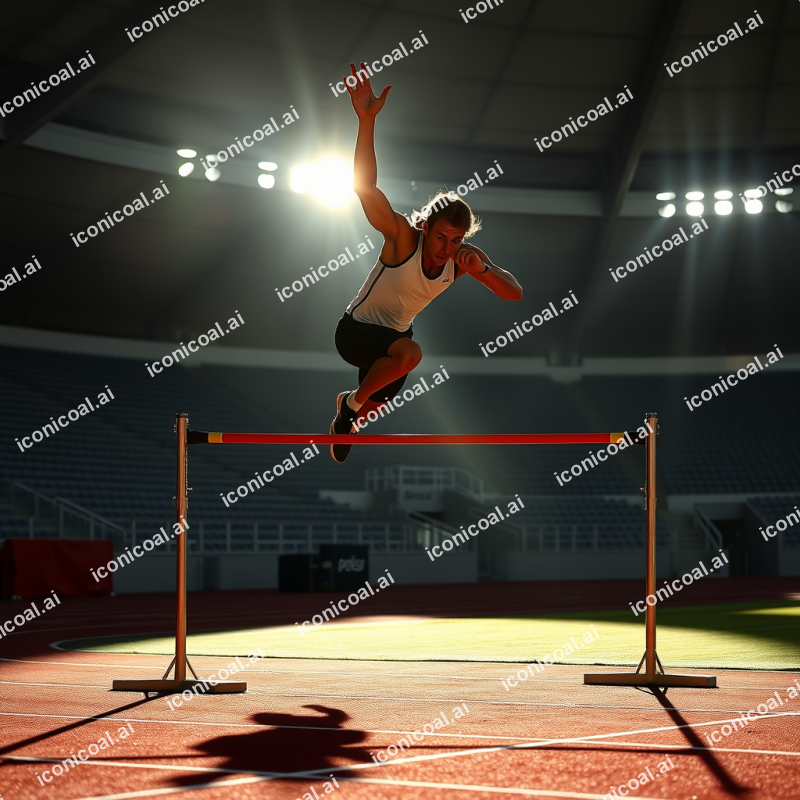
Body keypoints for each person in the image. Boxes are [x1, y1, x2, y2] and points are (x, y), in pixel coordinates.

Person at [330, 63, 523, 463]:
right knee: (413, 355)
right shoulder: (403, 238)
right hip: (355, 332)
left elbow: (515, 294)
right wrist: (366, 120)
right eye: (440, 237)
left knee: (376, 405)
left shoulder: (464, 259)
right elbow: (364, 188)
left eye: (456, 241)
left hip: (391, 346)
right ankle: (350, 407)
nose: (446, 248)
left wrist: (482, 271)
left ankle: (350, 408)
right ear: (424, 225)